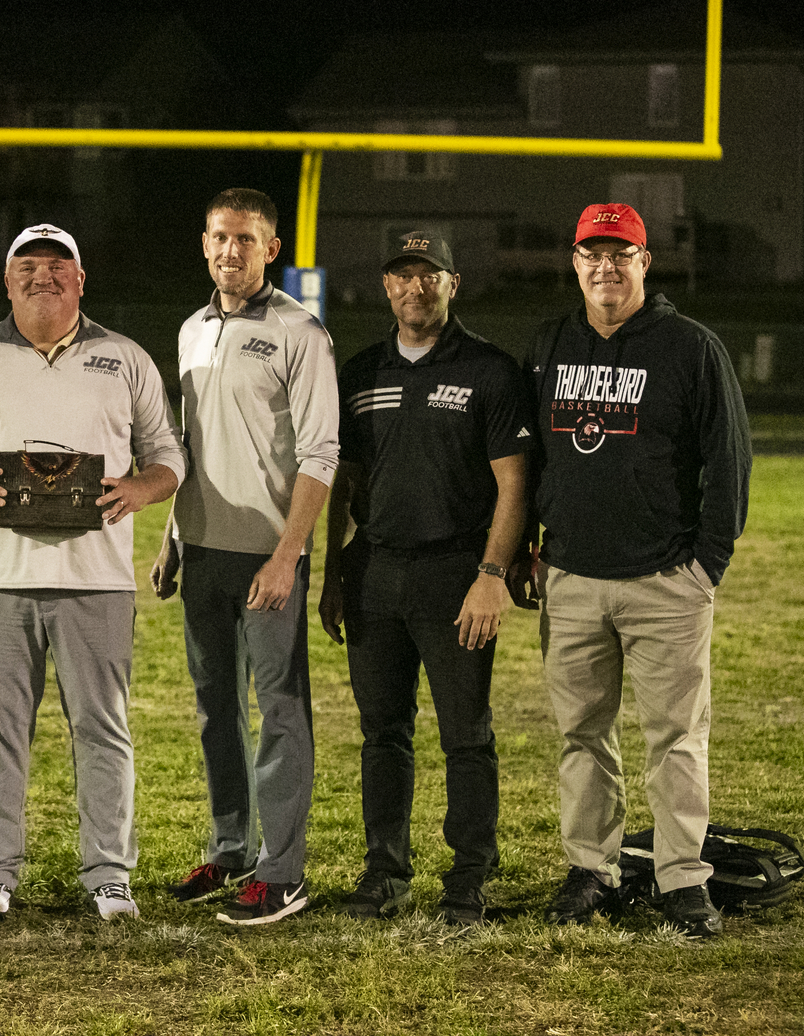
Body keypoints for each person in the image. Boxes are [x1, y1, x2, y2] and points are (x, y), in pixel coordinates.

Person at [0, 224, 185, 922]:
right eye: (26, 267)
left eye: (58, 267)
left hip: (97, 579)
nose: (43, 277)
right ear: (7, 281)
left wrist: (142, 490)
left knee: (103, 728)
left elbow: (169, 455)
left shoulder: (124, 358)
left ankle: (110, 875)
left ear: (81, 280)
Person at [515, 203, 751, 938]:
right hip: (573, 577)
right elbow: (526, 459)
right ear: (575, 261)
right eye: (593, 253)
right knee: (582, 733)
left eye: (622, 254)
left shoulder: (690, 348)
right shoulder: (551, 343)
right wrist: (528, 544)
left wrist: (705, 566)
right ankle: (593, 868)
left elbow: (729, 461)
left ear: (646, 262)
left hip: (664, 580)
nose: (606, 267)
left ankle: (683, 878)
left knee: (675, 737)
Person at [318, 230, 534, 926]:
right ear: (386, 285)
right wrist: (331, 576)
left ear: (453, 283)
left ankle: (468, 876)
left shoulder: (490, 370)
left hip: (454, 573)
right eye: (402, 275)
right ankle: (385, 871)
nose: (415, 288)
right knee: (383, 731)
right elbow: (342, 483)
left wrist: (492, 574)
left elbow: (514, 485)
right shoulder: (358, 373)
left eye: (429, 275)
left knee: (465, 734)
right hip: (375, 570)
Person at [148, 189, 338, 925]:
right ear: (204, 243)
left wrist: (289, 554)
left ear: (271, 250)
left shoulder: (300, 332)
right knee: (213, 710)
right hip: (203, 550)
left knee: (280, 711)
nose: (232, 251)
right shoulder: (193, 329)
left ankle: (283, 873)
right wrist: (172, 536)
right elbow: (189, 446)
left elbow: (322, 453)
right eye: (221, 238)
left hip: (268, 554)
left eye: (247, 241)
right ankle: (231, 849)